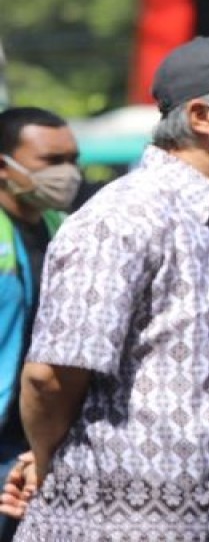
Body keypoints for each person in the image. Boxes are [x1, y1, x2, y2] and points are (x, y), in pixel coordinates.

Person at [6, 37, 209, 540]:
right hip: (125, 524)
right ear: (203, 116)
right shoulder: (125, 217)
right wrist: (53, 464)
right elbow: (50, 377)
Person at [0, 108, 79, 542]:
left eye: (72, 159)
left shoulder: (63, 229)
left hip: (34, 438)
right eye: (51, 162)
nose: (68, 173)